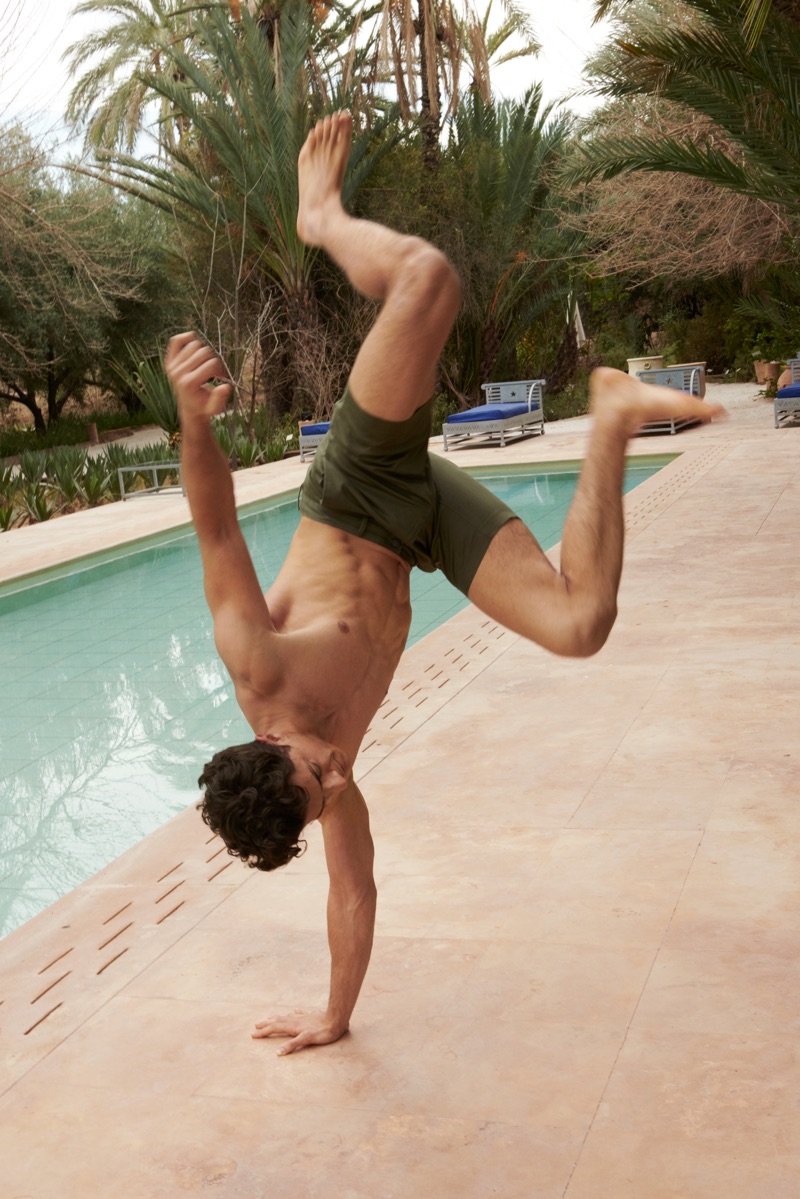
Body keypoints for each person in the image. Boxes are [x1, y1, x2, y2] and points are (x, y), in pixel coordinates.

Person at [164, 110, 722, 1057]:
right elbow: (353, 889)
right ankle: (613, 412)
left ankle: (321, 217)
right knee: (580, 623)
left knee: (427, 280)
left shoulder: (258, 662)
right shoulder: (321, 787)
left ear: (270, 739)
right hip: (425, 529)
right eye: (328, 791)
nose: (341, 774)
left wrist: (196, 424)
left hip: (361, 488)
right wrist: (334, 1017)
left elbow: (213, 526)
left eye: (319, 770)